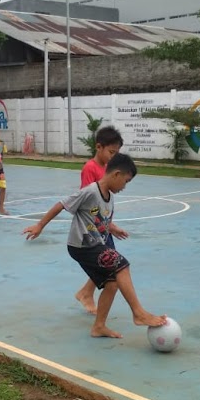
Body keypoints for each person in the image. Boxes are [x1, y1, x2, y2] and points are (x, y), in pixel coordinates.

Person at [23, 153, 167, 339]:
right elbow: (61, 204)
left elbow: (100, 219)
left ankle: (99, 327)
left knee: (112, 283)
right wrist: (40, 225)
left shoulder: (110, 198)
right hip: (82, 246)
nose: (125, 186)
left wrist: (112, 228)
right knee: (122, 264)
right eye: (126, 181)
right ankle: (138, 313)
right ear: (116, 174)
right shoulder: (90, 191)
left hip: (95, 244)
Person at [75, 126, 127, 315]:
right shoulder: (90, 168)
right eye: (111, 152)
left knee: (109, 260)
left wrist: (110, 226)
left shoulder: (108, 168)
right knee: (105, 263)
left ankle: (86, 292)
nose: (114, 156)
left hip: (103, 227)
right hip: (93, 228)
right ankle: (86, 294)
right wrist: (103, 226)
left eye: (117, 153)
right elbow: (87, 201)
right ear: (99, 147)